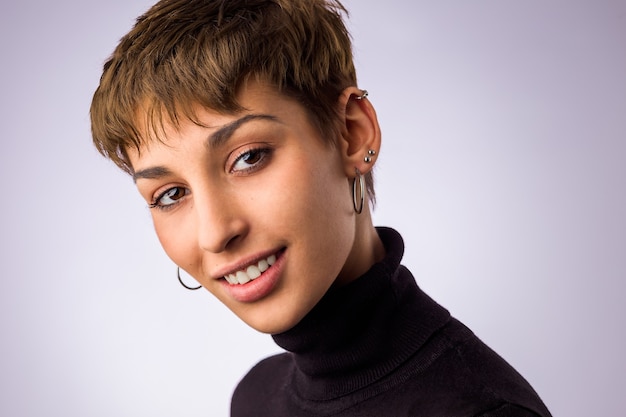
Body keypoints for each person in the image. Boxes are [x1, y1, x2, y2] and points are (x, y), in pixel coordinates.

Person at [90, 0, 552, 415]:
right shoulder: (254, 397)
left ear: (352, 134)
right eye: (170, 195)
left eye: (248, 158)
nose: (214, 233)